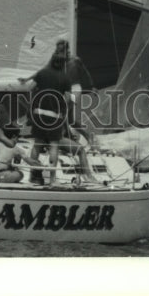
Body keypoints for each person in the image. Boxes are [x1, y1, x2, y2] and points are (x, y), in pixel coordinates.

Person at [23, 37, 96, 185]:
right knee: (78, 148)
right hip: (55, 131)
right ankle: (84, 177)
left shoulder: (51, 70)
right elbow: (69, 115)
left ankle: (32, 175)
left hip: (42, 122)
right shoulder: (63, 77)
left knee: (38, 144)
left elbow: (37, 77)